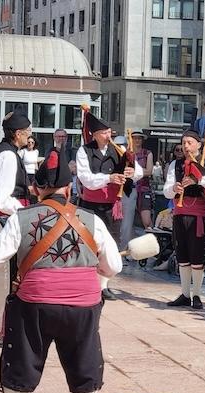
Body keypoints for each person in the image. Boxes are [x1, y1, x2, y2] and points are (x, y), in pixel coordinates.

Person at [0, 146, 122, 393]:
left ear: (36, 189)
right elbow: (112, 267)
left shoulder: (19, 219)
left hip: (34, 304)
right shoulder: (92, 220)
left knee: (20, 362)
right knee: (85, 363)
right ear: (69, 187)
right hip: (84, 307)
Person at [76, 113, 143, 300]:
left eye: (109, 132)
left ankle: (104, 285)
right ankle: (88, 281)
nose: (108, 136)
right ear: (95, 134)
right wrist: (108, 178)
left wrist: (131, 172)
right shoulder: (84, 151)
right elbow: (86, 178)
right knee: (89, 242)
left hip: (113, 204)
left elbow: (137, 171)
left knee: (111, 243)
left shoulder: (119, 149)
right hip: (90, 204)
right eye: (104, 133)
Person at [163, 131, 205, 309]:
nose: (186, 146)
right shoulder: (176, 164)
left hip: (198, 214)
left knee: (197, 254)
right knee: (182, 253)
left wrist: (198, 180)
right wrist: (174, 188)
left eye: (189, 142)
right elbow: (167, 190)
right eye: (183, 142)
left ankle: (196, 295)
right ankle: (184, 294)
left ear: (198, 144)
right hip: (180, 213)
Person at [0, 111, 32, 217]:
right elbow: (0, 198)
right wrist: (24, 212)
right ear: (18, 134)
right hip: (9, 217)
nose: (30, 134)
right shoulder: (8, 155)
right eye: (28, 130)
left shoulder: (6, 151)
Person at [131, 130, 154, 231]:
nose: (137, 140)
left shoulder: (147, 153)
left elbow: (149, 171)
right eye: (135, 138)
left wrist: (133, 171)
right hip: (129, 189)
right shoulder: (127, 153)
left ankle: (152, 242)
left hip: (143, 189)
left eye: (139, 138)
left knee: (146, 221)